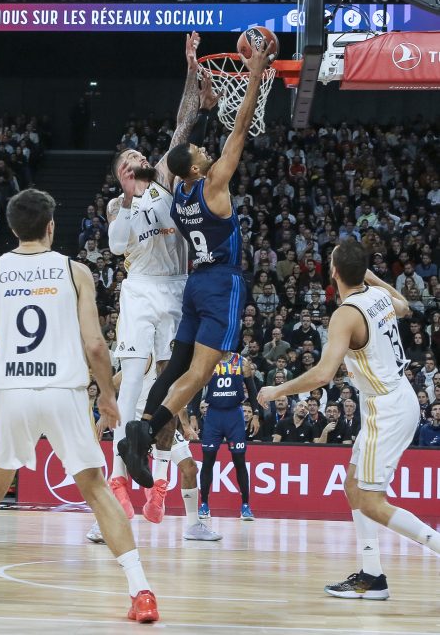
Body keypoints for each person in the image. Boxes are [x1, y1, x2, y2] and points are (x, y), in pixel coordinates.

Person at [0, 189, 159, 623]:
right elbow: (95, 345)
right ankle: (141, 592)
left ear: (13, 228)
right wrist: (108, 396)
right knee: (96, 490)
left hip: (10, 391)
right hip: (63, 389)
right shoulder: (74, 271)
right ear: (51, 226)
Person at [121, 38, 272, 488]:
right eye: (203, 156)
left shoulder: (181, 192)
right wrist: (255, 75)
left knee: (174, 367)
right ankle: (146, 431)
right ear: (196, 169)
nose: (208, 154)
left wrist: (201, 108)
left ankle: (140, 427)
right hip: (222, 282)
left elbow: (186, 151)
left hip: (195, 284)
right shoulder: (214, 184)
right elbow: (240, 130)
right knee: (200, 372)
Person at [258, 239, 440, 600]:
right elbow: (404, 306)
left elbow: (324, 374)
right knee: (354, 487)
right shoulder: (378, 295)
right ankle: (372, 576)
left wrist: (278, 390)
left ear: (334, 272)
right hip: (389, 399)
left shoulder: (347, 313)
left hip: (387, 407)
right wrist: (374, 278)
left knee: (371, 500)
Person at [95, 31, 214, 533]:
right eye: (125, 163)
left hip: (178, 285)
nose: (135, 162)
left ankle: (160, 483)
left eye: (137, 158)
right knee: (133, 378)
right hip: (141, 287)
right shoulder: (116, 206)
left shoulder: (165, 177)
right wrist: (127, 200)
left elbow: (184, 122)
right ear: (119, 175)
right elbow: (116, 247)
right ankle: (119, 478)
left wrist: (190, 69)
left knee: (170, 383)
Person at [87, 357, 222, 544]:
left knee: (190, 468)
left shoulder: (178, 360)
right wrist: (105, 410)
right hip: (135, 421)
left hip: (163, 423)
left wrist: (185, 425)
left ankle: (193, 525)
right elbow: (115, 383)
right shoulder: (146, 355)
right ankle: (101, 524)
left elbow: (177, 399)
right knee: (119, 475)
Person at [196, 352, 258, 521]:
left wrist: (256, 414)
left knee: (239, 461)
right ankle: (204, 504)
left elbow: (252, 390)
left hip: (234, 415)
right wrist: (193, 414)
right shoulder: (209, 360)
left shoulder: (241, 362)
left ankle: (245, 506)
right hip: (213, 415)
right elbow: (197, 387)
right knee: (207, 461)